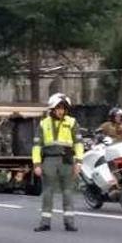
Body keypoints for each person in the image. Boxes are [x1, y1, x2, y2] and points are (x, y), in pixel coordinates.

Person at [32, 93, 84, 232]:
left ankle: (69, 222)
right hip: (49, 160)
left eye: (63, 108)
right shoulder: (44, 123)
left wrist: (79, 162)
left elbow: (78, 143)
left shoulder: (72, 122)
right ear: (52, 109)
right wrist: (37, 164)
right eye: (58, 108)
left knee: (68, 191)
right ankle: (45, 222)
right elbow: (37, 146)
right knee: (48, 191)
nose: (61, 111)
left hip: (67, 160)